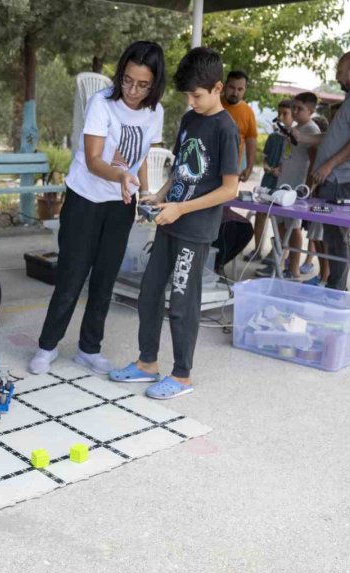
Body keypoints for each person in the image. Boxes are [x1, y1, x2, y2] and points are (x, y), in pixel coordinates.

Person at [28, 41, 166, 375]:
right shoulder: (101, 102)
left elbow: (144, 154)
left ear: (154, 83)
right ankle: (47, 347)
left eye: (142, 84)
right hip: (86, 198)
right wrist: (119, 174)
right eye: (128, 80)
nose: (133, 90)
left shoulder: (155, 111)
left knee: (105, 278)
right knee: (72, 275)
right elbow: (92, 161)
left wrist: (143, 190)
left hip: (121, 202)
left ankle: (89, 348)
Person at [110, 47, 239, 400]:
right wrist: (161, 195)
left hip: (194, 229)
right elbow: (180, 169)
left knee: (182, 301)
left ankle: (182, 375)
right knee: (150, 293)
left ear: (217, 88)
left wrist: (182, 209)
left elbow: (230, 189)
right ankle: (146, 363)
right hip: (169, 218)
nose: (191, 101)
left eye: (197, 95)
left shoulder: (226, 129)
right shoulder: (189, 120)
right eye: (187, 95)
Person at [291, 50, 350, 290]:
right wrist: (303, 138)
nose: (338, 77)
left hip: (342, 181)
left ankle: (337, 291)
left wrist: (329, 165)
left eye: (340, 72)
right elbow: (333, 137)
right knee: (327, 236)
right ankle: (331, 284)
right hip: (331, 180)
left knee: (337, 239)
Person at [212, 70, 258, 273]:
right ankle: (207, 259)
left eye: (240, 89)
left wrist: (248, 166)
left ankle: (218, 261)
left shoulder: (247, 111)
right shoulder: (213, 104)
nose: (235, 92)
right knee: (211, 216)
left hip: (231, 173)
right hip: (209, 171)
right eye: (232, 87)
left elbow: (251, 139)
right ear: (223, 86)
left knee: (224, 217)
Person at [273, 91, 320, 280]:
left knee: (294, 227)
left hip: (297, 186)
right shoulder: (294, 128)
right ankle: (282, 263)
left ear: (311, 110)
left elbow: (313, 160)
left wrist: (307, 188)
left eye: (300, 108)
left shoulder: (312, 130)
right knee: (282, 225)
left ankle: (294, 269)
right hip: (284, 181)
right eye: (294, 107)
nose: (295, 111)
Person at [250, 99, 292, 269]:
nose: (281, 117)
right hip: (268, 181)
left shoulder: (294, 137)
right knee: (261, 214)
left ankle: (276, 254)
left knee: (281, 221)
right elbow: (266, 157)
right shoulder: (273, 137)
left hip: (283, 184)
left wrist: (282, 169)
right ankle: (257, 249)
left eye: (285, 114)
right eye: (279, 113)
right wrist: (267, 167)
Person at [302, 112, 331, 282]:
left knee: (321, 238)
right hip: (315, 193)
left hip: (323, 194)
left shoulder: (326, 149)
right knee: (315, 236)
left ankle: (325, 276)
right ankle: (323, 275)